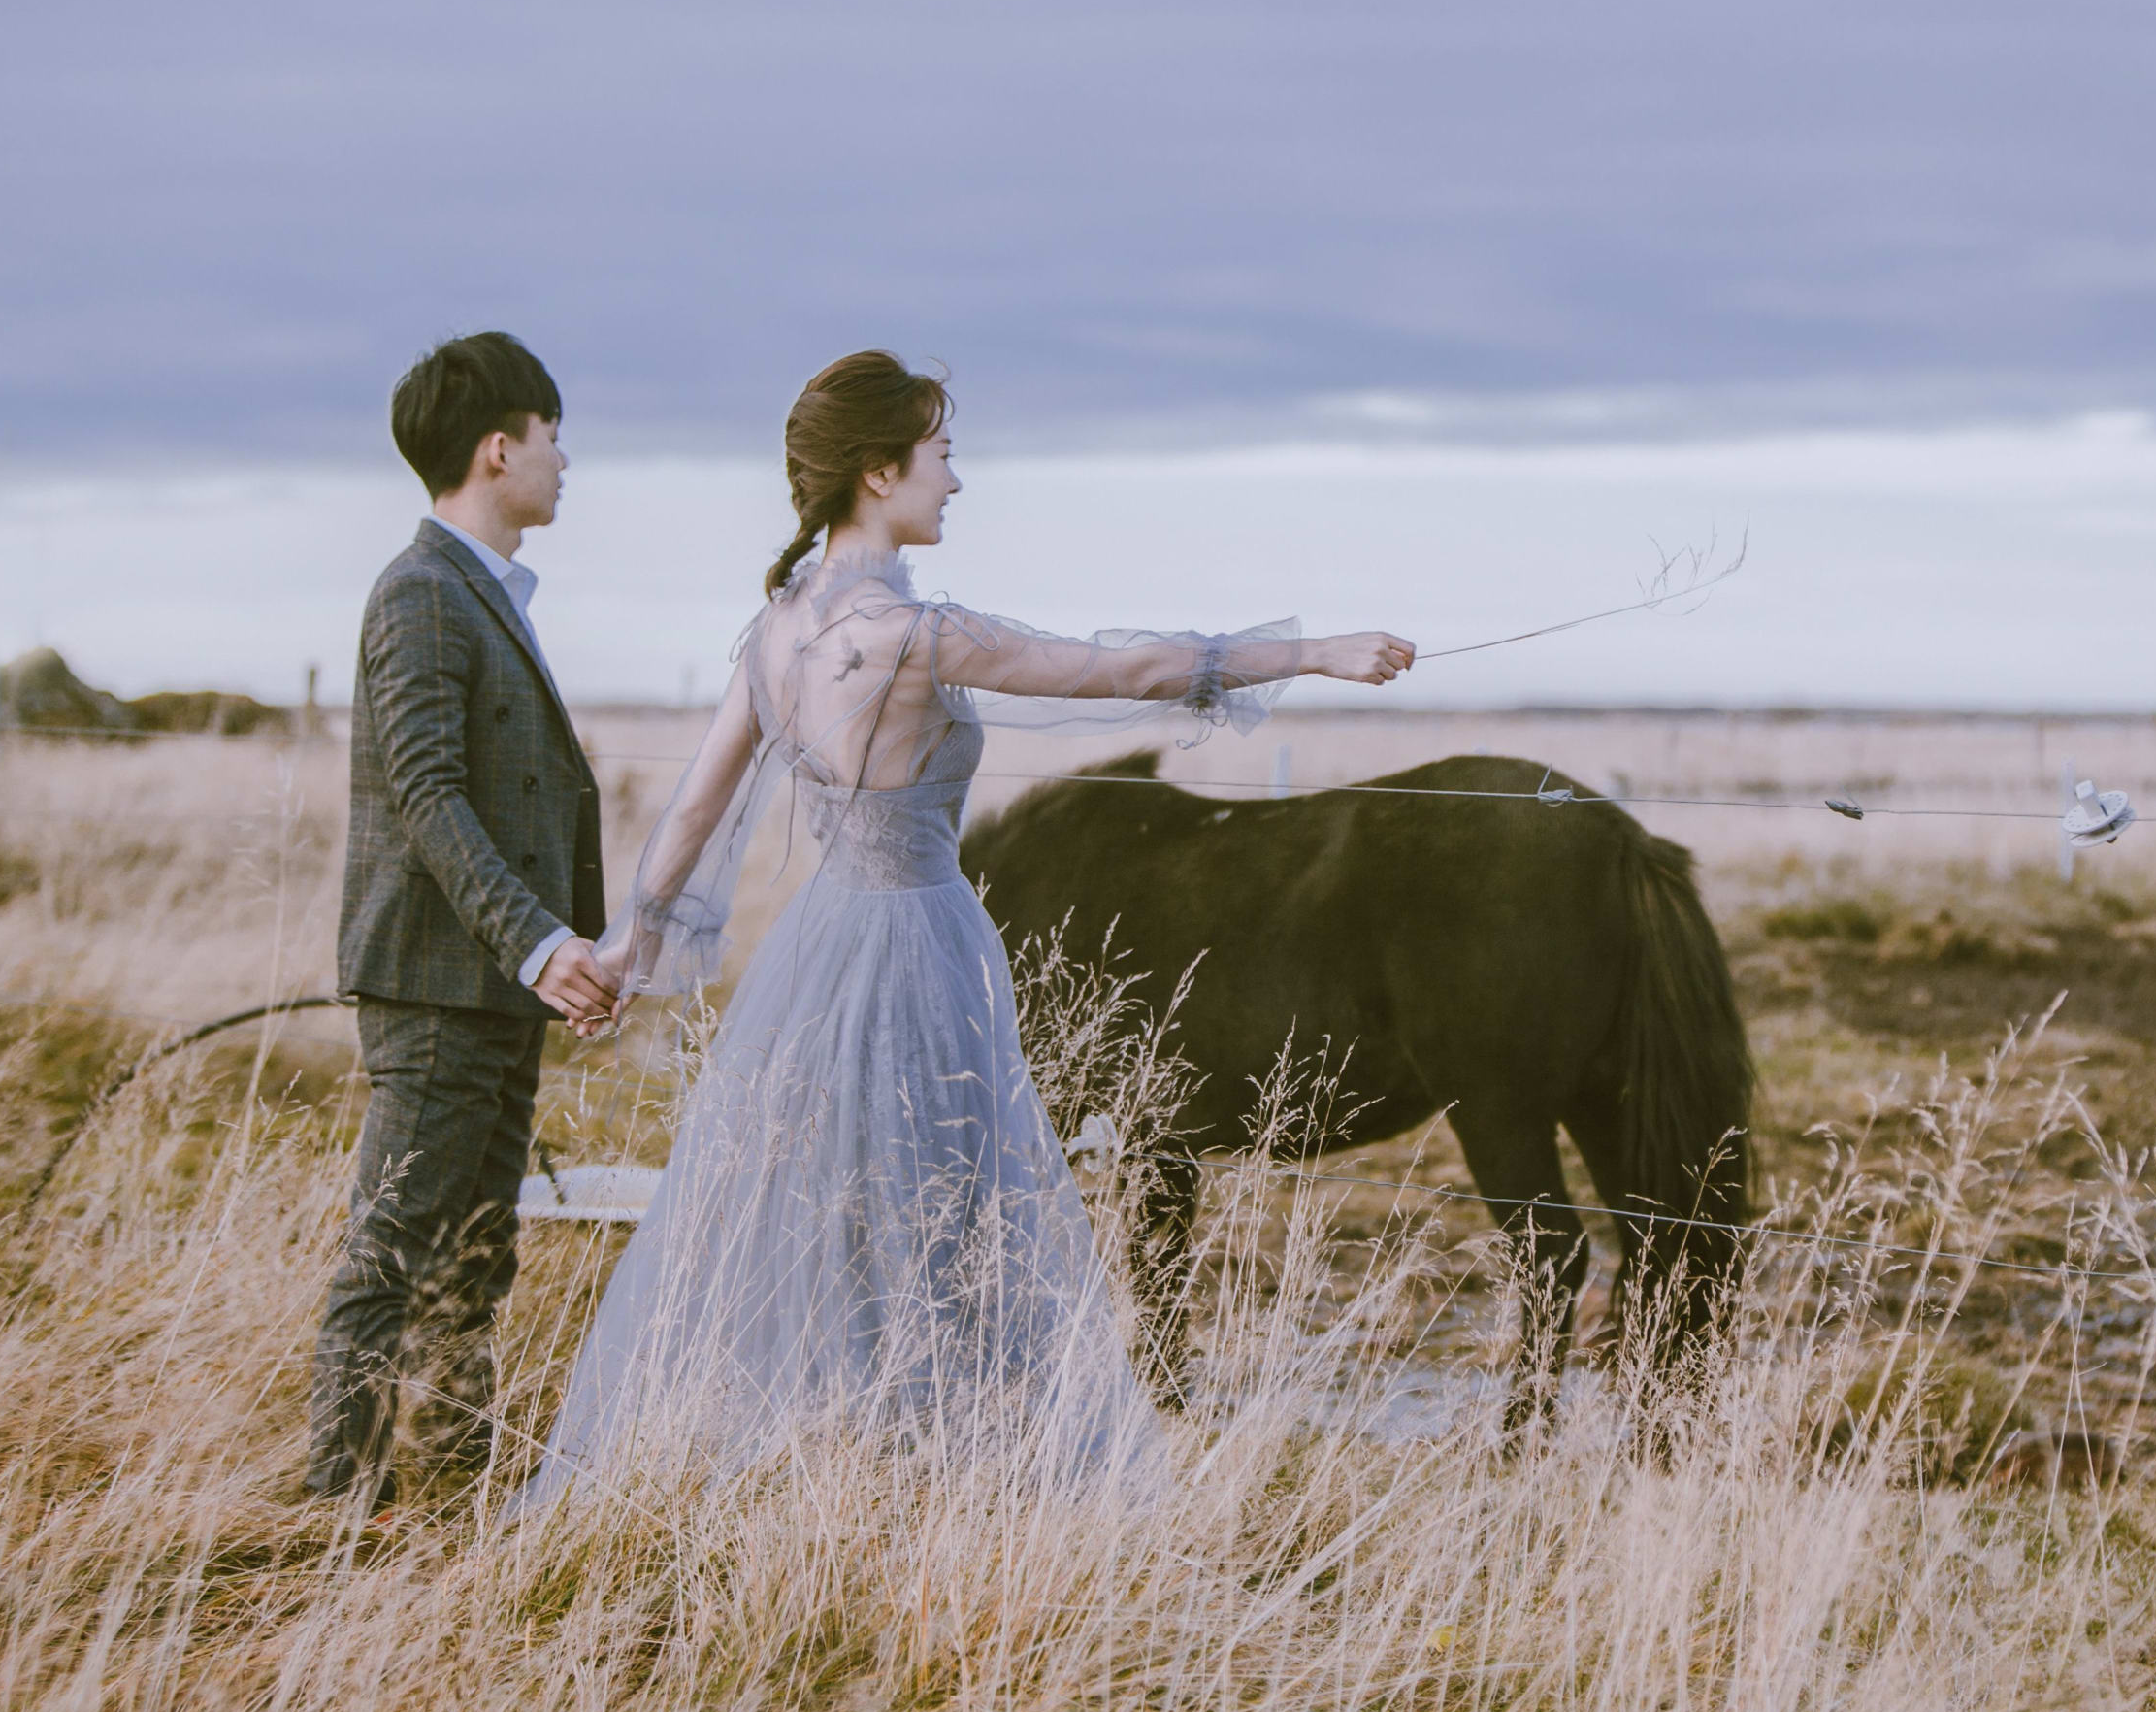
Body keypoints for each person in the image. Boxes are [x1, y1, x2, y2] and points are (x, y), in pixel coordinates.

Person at [514, 350, 1414, 1505]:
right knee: (945, 1202)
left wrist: (633, 942)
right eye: (941, 456)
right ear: (879, 472)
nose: (955, 481)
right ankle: (934, 1465)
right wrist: (1311, 651)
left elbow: (696, 803)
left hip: (816, 948)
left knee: (811, 1203)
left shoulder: (778, 627)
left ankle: (826, 1461)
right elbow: (1109, 666)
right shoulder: (906, 632)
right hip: (917, 944)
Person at [309, 332, 619, 1506]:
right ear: (500, 447)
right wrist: (543, 944)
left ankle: (444, 1497)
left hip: (489, 987)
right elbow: (427, 797)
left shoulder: (478, 593)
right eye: (552, 437)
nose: (563, 460)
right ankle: (335, 1511)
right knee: (391, 1257)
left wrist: (559, 952)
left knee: (475, 1262)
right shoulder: (422, 594)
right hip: (441, 985)